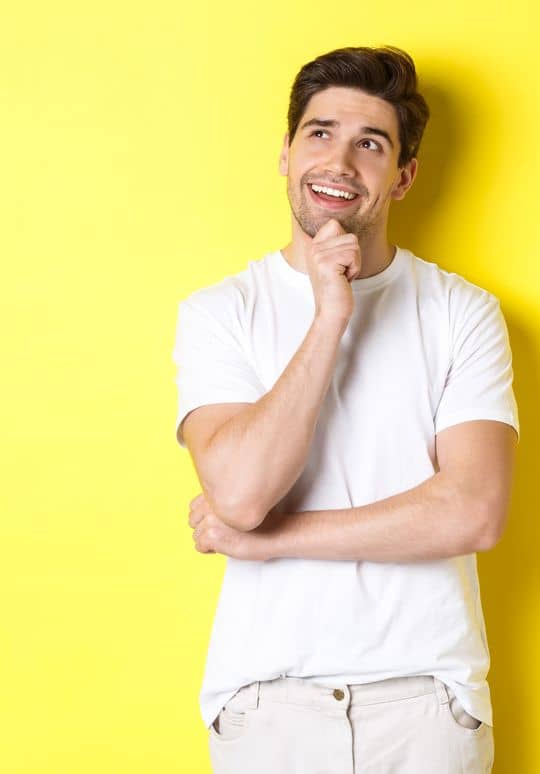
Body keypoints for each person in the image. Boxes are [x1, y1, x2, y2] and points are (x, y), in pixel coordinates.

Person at [172, 45, 515, 772]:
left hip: (425, 702)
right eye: (320, 133)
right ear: (286, 155)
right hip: (268, 704)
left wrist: (271, 541)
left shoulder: (461, 312)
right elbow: (238, 494)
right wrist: (331, 314)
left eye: (371, 144)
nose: (339, 161)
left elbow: (472, 511)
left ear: (403, 177)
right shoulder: (219, 313)